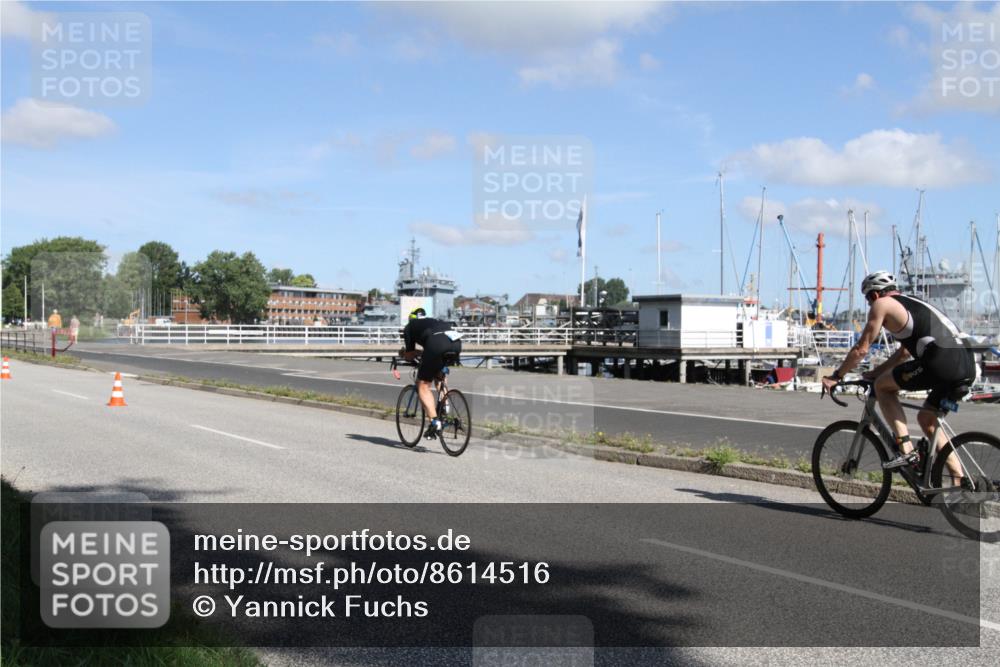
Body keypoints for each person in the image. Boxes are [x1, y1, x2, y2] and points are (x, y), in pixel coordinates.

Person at [821, 271, 977, 486]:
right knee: (927, 420)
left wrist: (837, 376)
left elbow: (861, 349)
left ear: (874, 294)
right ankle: (961, 483)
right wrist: (877, 371)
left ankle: (907, 451)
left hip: (941, 363)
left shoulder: (882, 304)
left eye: (868, 299)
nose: (869, 305)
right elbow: (904, 353)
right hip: (967, 365)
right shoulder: (912, 303)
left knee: (882, 387)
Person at [400, 308, 463, 439]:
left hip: (437, 344)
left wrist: (403, 354)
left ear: (410, 319)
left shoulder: (409, 327)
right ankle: (445, 406)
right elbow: (430, 347)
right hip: (455, 342)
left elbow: (409, 355)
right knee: (439, 376)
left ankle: (435, 422)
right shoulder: (432, 321)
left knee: (423, 385)